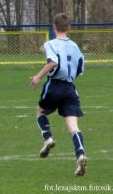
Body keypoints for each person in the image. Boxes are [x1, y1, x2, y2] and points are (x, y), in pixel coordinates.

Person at [29, 13, 86, 177]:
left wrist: (39, 77)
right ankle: (81, 155)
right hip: (70, 89)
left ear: (53, 26)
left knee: (40, 111)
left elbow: (53, 62)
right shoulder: (75, 46)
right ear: (69, 28)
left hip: (55, 85)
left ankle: (48, 138)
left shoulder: (50, 44)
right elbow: (80, 69)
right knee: (73, 127)